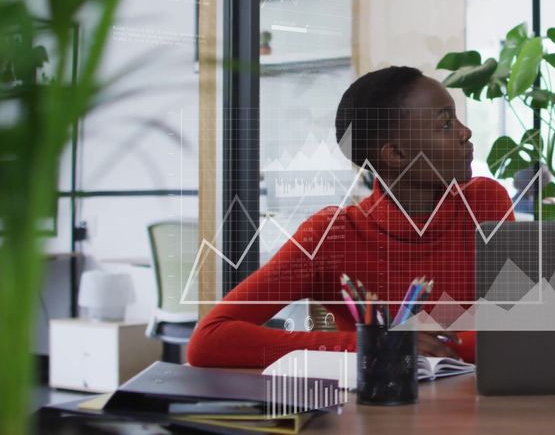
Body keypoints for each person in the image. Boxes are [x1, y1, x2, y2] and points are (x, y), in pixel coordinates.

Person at [187, 66, 513, 368]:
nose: (466, 132)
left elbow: (519, 328)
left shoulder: (484, 202)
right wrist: (372, 344)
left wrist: (425, 347)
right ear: (396, 154)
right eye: (445, 124)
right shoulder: (331, 236)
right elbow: (208, 340)